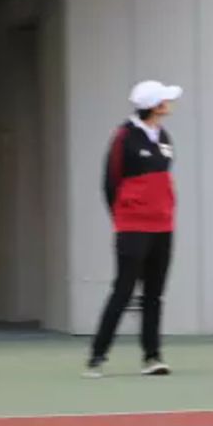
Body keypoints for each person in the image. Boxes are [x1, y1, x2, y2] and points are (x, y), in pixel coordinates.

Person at [85, 80, 180, 378]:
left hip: (163, 225)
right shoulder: (124, 137)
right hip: (133, 227)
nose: (169, 103)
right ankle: (98, 356)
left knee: (154, 294)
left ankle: (152, 356)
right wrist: (123, 217)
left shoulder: (163, 136)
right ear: (153, 105)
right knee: (123, 291)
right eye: (164, 99)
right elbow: (110, 180)